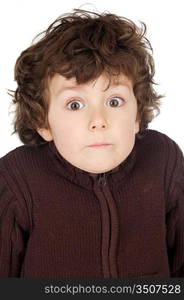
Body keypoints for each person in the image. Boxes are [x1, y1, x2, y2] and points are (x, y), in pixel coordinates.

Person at [0, 8, 183, 278]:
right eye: (75, 104)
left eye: (114, 101)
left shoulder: (163, 159)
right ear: (44, 122)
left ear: (137, 114)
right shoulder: (17, 177)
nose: (98, 120)